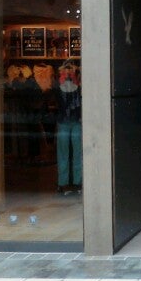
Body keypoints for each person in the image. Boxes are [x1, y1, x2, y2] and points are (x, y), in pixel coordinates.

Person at [55, 60, 82, 196]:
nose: (68, 73)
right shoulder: (58, 86)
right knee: (63, 153)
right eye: (65, 70)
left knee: (77, 153)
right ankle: (63, 183)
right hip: (64, 122)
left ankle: (77, 182)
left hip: (76, 122)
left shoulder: (79, 86)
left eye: (70, 70)